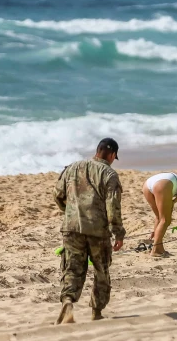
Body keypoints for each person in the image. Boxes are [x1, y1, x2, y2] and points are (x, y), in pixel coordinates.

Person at [52, 138, 125, 324]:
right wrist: (118, 232)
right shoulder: (110, 174)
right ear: (112, 155)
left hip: (71, 227)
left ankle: (68, 301)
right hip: (97, 231)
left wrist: (70, 212)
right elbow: (113, 207)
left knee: (72, 267)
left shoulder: (72, 168)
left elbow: (58, 195)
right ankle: (96, 311)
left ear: (97, 150)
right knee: (101, 270)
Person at [142, 168, 177, 257]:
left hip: (147, 184)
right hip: (162, 185)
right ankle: (155, 250)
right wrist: (173, 202)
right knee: (165, 220)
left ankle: (158, 247)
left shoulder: (176, 176)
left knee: (159, 217)